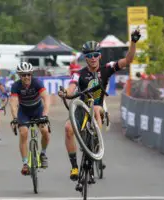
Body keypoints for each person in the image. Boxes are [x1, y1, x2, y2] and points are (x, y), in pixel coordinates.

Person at [58, 29, 141, 181]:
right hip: (81, 106)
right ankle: (74, 166)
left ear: (100, 55)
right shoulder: (79, 73)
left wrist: (133, 42)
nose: (93, 58)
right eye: (89, 56)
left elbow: (128, 60)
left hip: (98, 105)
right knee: (68, 128)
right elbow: (71, 87)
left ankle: (96, 138)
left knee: (96, 108)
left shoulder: (107, 68)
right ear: (85, 58)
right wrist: (66, 94)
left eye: (96, 55)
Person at [9, 62, 51, 175]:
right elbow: (13, 104)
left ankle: (43, 153)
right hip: (24, 112)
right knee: (23, 133)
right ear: (19, 75)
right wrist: (14, 118)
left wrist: (45, 115)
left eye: (28, 74)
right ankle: (25, 163)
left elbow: (46, 98)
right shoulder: (16, 86)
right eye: (23, 75)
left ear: (31, 74)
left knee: (45, 131)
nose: (26, 77)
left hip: (38, 110)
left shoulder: (37, 82)